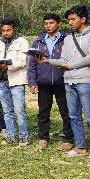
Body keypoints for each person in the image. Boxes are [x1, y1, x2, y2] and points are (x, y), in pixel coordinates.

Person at [38, 5, 90, 160]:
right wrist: (47, 60)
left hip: (85, 80)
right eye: (69, 20)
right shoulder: (68, 38)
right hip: (69, 81)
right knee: (74, 116)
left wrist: (71, 65)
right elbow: (64, 60)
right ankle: (80, 146)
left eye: (73, 19)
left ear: (83, 19)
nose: (70, 22)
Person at [27, 13, 74, 151]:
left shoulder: (67, 40)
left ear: (58, 24)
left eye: (51, 23)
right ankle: (43, 138)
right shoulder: (38, 42)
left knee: (66, 111)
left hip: (62, 81)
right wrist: (32, 82)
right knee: (43, 112)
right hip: (44, 82)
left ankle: (68, 139)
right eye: (46, 23)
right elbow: (32, 64)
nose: (48, 26)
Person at [0, 19, 30, 145]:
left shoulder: (22, 42)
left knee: (19, 110)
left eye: (8, 30)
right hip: (1, 80)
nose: (6, 33)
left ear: (14, 30)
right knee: (6, 111)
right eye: (3, 31)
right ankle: (11, 136)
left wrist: (8, 67)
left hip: (16, 80)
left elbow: (23, 61)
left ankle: (24, 136)